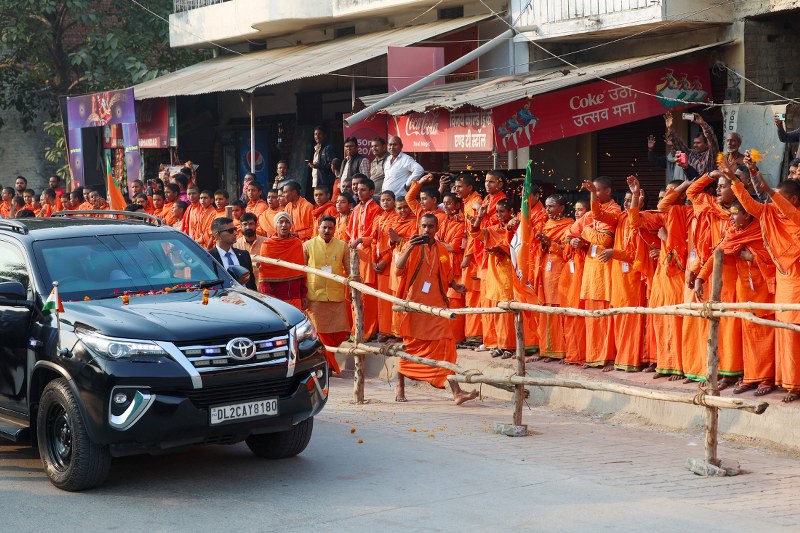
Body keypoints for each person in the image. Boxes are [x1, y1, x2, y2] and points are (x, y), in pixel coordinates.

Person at [724, 163, 800, 402]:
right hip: (783, 282)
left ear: (794, 200)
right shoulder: (769, 214)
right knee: (786, 335)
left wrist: (766, 188)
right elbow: (749, 205)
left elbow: (788, 212)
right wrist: (734, 180)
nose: (775, 203)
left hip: (797, 282)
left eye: (781, 198)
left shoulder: (795, 217)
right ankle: (791, 383)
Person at [394, 214, 478, 405]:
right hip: (415, 305)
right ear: (419, 226)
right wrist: (409, 249)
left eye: (431, 226)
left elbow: (446, 273)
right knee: (410, 347)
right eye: (423, 226)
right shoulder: (410, 245)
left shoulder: (441, 249)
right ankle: (400, 385)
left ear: (437, 228)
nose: (426, 230)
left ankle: (456, 392)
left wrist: (455, 286)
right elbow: (398, 269)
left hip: (437, 306)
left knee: (447, 346)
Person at [694, 199, 776, 396]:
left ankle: (766, 378)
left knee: (765, 334)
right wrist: (700, 277)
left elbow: (776, 258)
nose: (730, 217)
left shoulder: (762, 230)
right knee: (748, 333)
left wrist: (753, 259)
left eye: (734, 213)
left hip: (764, 290)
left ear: (746, 215)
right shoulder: (733, 233)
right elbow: (717, 254)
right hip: (744, 290)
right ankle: (750, 377)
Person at [569, 177, 620, 370]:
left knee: (605, 316)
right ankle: (593, 356)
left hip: (605, 271)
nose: (595, 194)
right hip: (590, 272)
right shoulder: (591, 214)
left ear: (607, 191)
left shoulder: (615, 211)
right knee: (591, 317)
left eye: (597, 191)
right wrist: (575, 241)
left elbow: (604, 240)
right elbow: (571, 231)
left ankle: (608, 357)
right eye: (592, 191)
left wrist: (584, 233)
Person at [599, 178, 645, 371]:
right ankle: (620, 359)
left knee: (631, 319)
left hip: (633, 277)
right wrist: (594, 194)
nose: (626, 204)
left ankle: (631, 360)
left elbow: (635, 254)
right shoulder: (619, 218)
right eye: (625, 200)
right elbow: (597, 215)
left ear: (640, 201)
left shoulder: (641, 220)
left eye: (631, 200)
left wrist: (614, 253)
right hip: (618, 277)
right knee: (618, 318)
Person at [470, 198, 517, 359]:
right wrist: (480, 217)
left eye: (502, 211)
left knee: (508, 312)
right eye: (497, 212)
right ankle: (499, 344)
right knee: (498, 312)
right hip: (494, 274)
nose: (499, 215)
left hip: (510, 274)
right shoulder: (492, 229)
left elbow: (520, 248)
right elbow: (475, 233)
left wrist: (501, 250)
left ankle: (509, 346)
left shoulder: (516, 228)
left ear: (511, 212)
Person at [304, 215, 351, 375]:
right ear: (318, 227)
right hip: (314, 297)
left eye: (330, 228)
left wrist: (353, 290)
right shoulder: (308, 246)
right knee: (321, 334)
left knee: (341, 332)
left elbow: (350, 271)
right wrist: (302, 294)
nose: (327, 230)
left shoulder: (342, 246)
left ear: (335, 229)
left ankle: (326, 361)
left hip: (336, 296)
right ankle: (329, 365)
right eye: (324, 227)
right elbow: (300, 272)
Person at [532, 194, 573, 362]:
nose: (547, 210)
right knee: (545, 309)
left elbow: (567, 250)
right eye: (547, 206)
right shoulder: (546, 224)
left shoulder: (569, 225)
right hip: (544, 270)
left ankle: (560, 350)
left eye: (551, 206)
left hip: (559, 270)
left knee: (557, 308)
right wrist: (542, 244)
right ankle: (547, 349)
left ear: (561, 208)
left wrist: (550, 244)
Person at [348, 177, 382, 340]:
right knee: (356, 293)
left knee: (367, 295)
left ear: (371, 192)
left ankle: (367, 331)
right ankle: (356, 329)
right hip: (356, 255)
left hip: (368, 254)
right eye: (358, 189)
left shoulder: (376, 209)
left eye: (363, 190)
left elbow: (374, 234)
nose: (359, 192)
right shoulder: (355, 209)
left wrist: (361, 240)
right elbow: (350, 232)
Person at [455, 174, 484, 345]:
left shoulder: (475, 201)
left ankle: (475, 336)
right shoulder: (467, 202)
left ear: (470, 188)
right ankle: (472, 335)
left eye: (460, 186)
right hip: (473, 254)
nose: (456, 189)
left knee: (473, 296)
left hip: (475, 257)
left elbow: (475, 231)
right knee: (469, 295)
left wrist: (467, 256)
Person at [258, 212, 307, 310]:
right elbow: (264, 275)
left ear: (291, 225)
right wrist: (268, 296)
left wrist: (304, 294)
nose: (284, 225)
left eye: (287, 222)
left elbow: (301, 272)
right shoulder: (267, 245)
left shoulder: (297, 243)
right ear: (275, 225)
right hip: (274, 294)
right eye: (281, 222)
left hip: (295, 292)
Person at [560, 199, 588, 365]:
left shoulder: (591, 226)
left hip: (583, 274)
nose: (577, 213)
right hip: (570, 277)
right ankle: (571, 354)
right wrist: (571, 242)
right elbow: (564, 252)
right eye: (575, 210)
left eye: (580, 210)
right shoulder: (570, 229)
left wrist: (583, 243)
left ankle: (582, 355)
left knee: (581, 317)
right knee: (569, 315)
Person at [371, 189, 397, 341]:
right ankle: (383, 330)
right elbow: (374, 241)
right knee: (381, 300)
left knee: (390, 299)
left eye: (388, 200)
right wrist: (374, 260)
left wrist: (383, 261)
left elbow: (394, 245)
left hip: (389, 262)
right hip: (378, 262)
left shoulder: (396, 217)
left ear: (393, 201)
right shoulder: (378, 218)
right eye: (383, 200)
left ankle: (391, 331)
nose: (385, 202)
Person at [208, 217, 256, 290]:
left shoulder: (244, 255)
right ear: (217, 235)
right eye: (230, 231)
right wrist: (236, 284)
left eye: (235, 229)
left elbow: (251, 285)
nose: (235, 233)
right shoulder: (209, 258)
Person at [664, 112, 719, 176]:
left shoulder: (711, 154)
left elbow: (712, 139)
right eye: (694, 143)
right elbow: (679, 145)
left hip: (708, 185)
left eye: (698, 143)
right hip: (692, 185)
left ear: (707, 144)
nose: (695, 145)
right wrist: (670, 128)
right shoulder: (691, 154)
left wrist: (703, 124)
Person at [234, 212, 266, 292]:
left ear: (256, 225)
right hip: (245, 289)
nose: (248, 227)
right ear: (240, 226)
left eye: (251, 224)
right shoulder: (235, 245)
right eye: (245, 224)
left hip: (264, 287)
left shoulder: (266, 243)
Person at [307, 126, 336, 193]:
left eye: (319, 134)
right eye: (315, 134)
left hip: (325, 182)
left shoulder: (328, 148)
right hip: (316, 181)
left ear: (324, 135)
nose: (317, 136)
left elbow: (332, 165)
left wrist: (318, 166)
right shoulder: (316, 148)